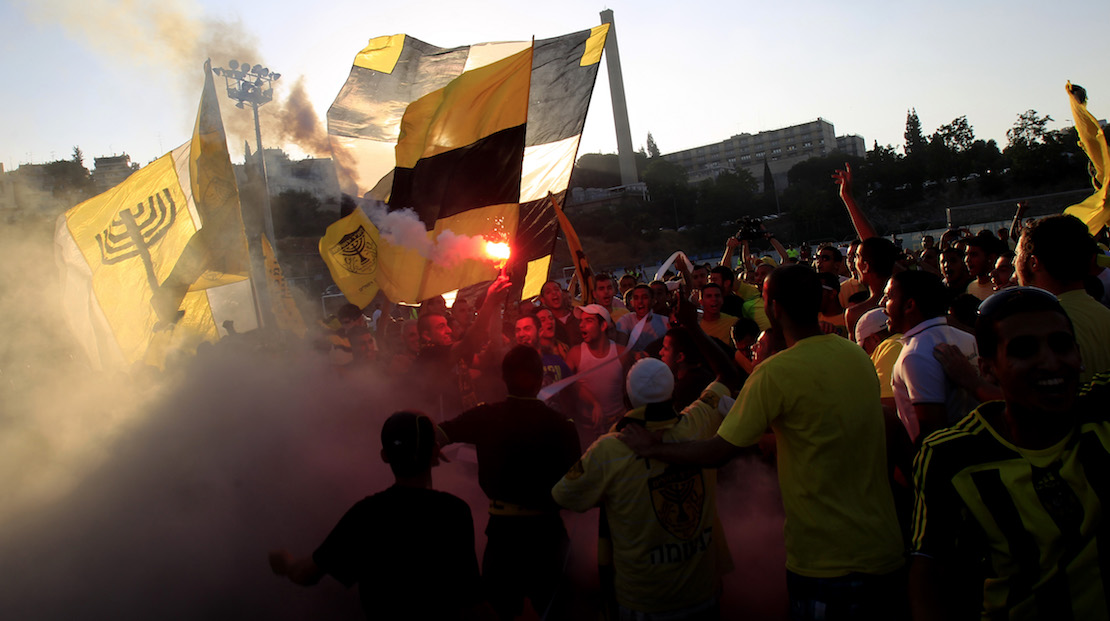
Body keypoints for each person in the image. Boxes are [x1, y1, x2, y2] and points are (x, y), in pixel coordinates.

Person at [621, 265, 906, 620]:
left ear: (774, 308)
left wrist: (654, 448)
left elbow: (719, 451)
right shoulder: (856, 356)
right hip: (886, 550)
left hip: (826, 563)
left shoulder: (774, 373)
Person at [909, 287, 1110, 620]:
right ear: (988, 369)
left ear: (1078, 354)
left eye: (1061, 345)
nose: (1051, 362)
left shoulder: (1101, 413)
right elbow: (928, 574)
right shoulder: (952, 456)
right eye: (1024, 350)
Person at [553, 296, 743, 619]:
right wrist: (694, 326)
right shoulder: (697, 423)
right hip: (703, 593)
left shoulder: (610, 450)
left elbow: (564, 496)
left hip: (642, 601)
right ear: (671, 391)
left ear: (628, 397)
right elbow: (728, 375)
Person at [269, 411, 485, 620]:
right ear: (436, 452)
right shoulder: (454, 512)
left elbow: (305, 574)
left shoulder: (365, 514)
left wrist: (286, 563)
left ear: (384, 456)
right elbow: (472, 601)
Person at [438, 346, 581, 620]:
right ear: (540, 380)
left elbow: (439, 432)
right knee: (557, 612)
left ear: (504, 379)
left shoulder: (486, 416)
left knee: (500, 612)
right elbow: (577, 487)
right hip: (548, 536)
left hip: (503, 537)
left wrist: (428, 447)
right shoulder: (562, 425)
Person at [1014, 214, 1110, 384]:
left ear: (1033, 263)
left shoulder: (1037, 328)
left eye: (1017, 254)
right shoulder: (1105, 316)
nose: (1014, 262)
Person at [885, 270, 978, 444]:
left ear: (909, 305)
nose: (883, 305)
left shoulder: (915, 354)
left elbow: (933, 433)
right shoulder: (967, 338)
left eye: (889, 297)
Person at [413, 275, 512, 419]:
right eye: (441, 327)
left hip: (464, 420)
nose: (448, 330)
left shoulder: (454, 353)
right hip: (444, 425)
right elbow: (469, 342)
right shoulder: (430, 354)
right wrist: (490, 301)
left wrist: (495, 334)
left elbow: (483, 361)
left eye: (446, 325)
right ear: (427, 336)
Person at [567, 304, 628, 440]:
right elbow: (567, 383)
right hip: (586, 428)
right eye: (581, 321)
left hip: (615, 428)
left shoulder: (621, 353)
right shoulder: (575, 354)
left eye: (589, 321)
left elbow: (629, 389)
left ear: (603, 326)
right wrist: (594, 402)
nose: (581, 325)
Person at [614, 284, 668, 354]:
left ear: (653, 301)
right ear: (632, 303)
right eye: (636, 298)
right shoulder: (626, 320)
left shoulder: (665, 321)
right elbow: (620, 346)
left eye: (645, 297)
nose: (640, 301)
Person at [963, 232, 1003, 301]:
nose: (967, 260)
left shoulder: (1001, 288)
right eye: (966, 255)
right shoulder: (971, 287)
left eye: (973, 255)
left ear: (991, 257)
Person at [698, 283, 738, 348]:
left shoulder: (734, 323)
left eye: (717, 296)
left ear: (722, 300)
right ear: (701, 301)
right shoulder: (696, 324)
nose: (714, 299)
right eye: (709, 296)